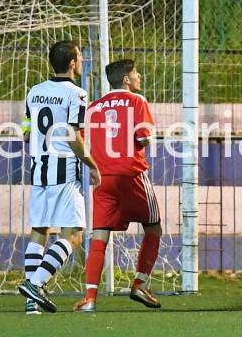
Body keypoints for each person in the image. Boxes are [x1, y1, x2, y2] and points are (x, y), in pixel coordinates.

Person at [18, 41, 101, 314]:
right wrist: (91, 164)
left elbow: (26, 131)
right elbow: (74, 136)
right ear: (72, 63)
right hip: (64, 169)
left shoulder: (35, 91)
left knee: (39, 229)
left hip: (38, 168)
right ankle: (36, 284)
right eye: (80, 57)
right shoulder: (77, 94)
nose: (82, 61)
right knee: (74, 235)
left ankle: (31, 303)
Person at [73, 59, 162, 312]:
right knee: (153, 228)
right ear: (126, 79)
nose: (139, 76)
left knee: (100, 235)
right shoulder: (137, 101)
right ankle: (139, 284)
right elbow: (144, 138)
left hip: (103, 176)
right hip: (131, 174)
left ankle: (90, 299)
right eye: (136, 73)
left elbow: (81, 139)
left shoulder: (94, 107)